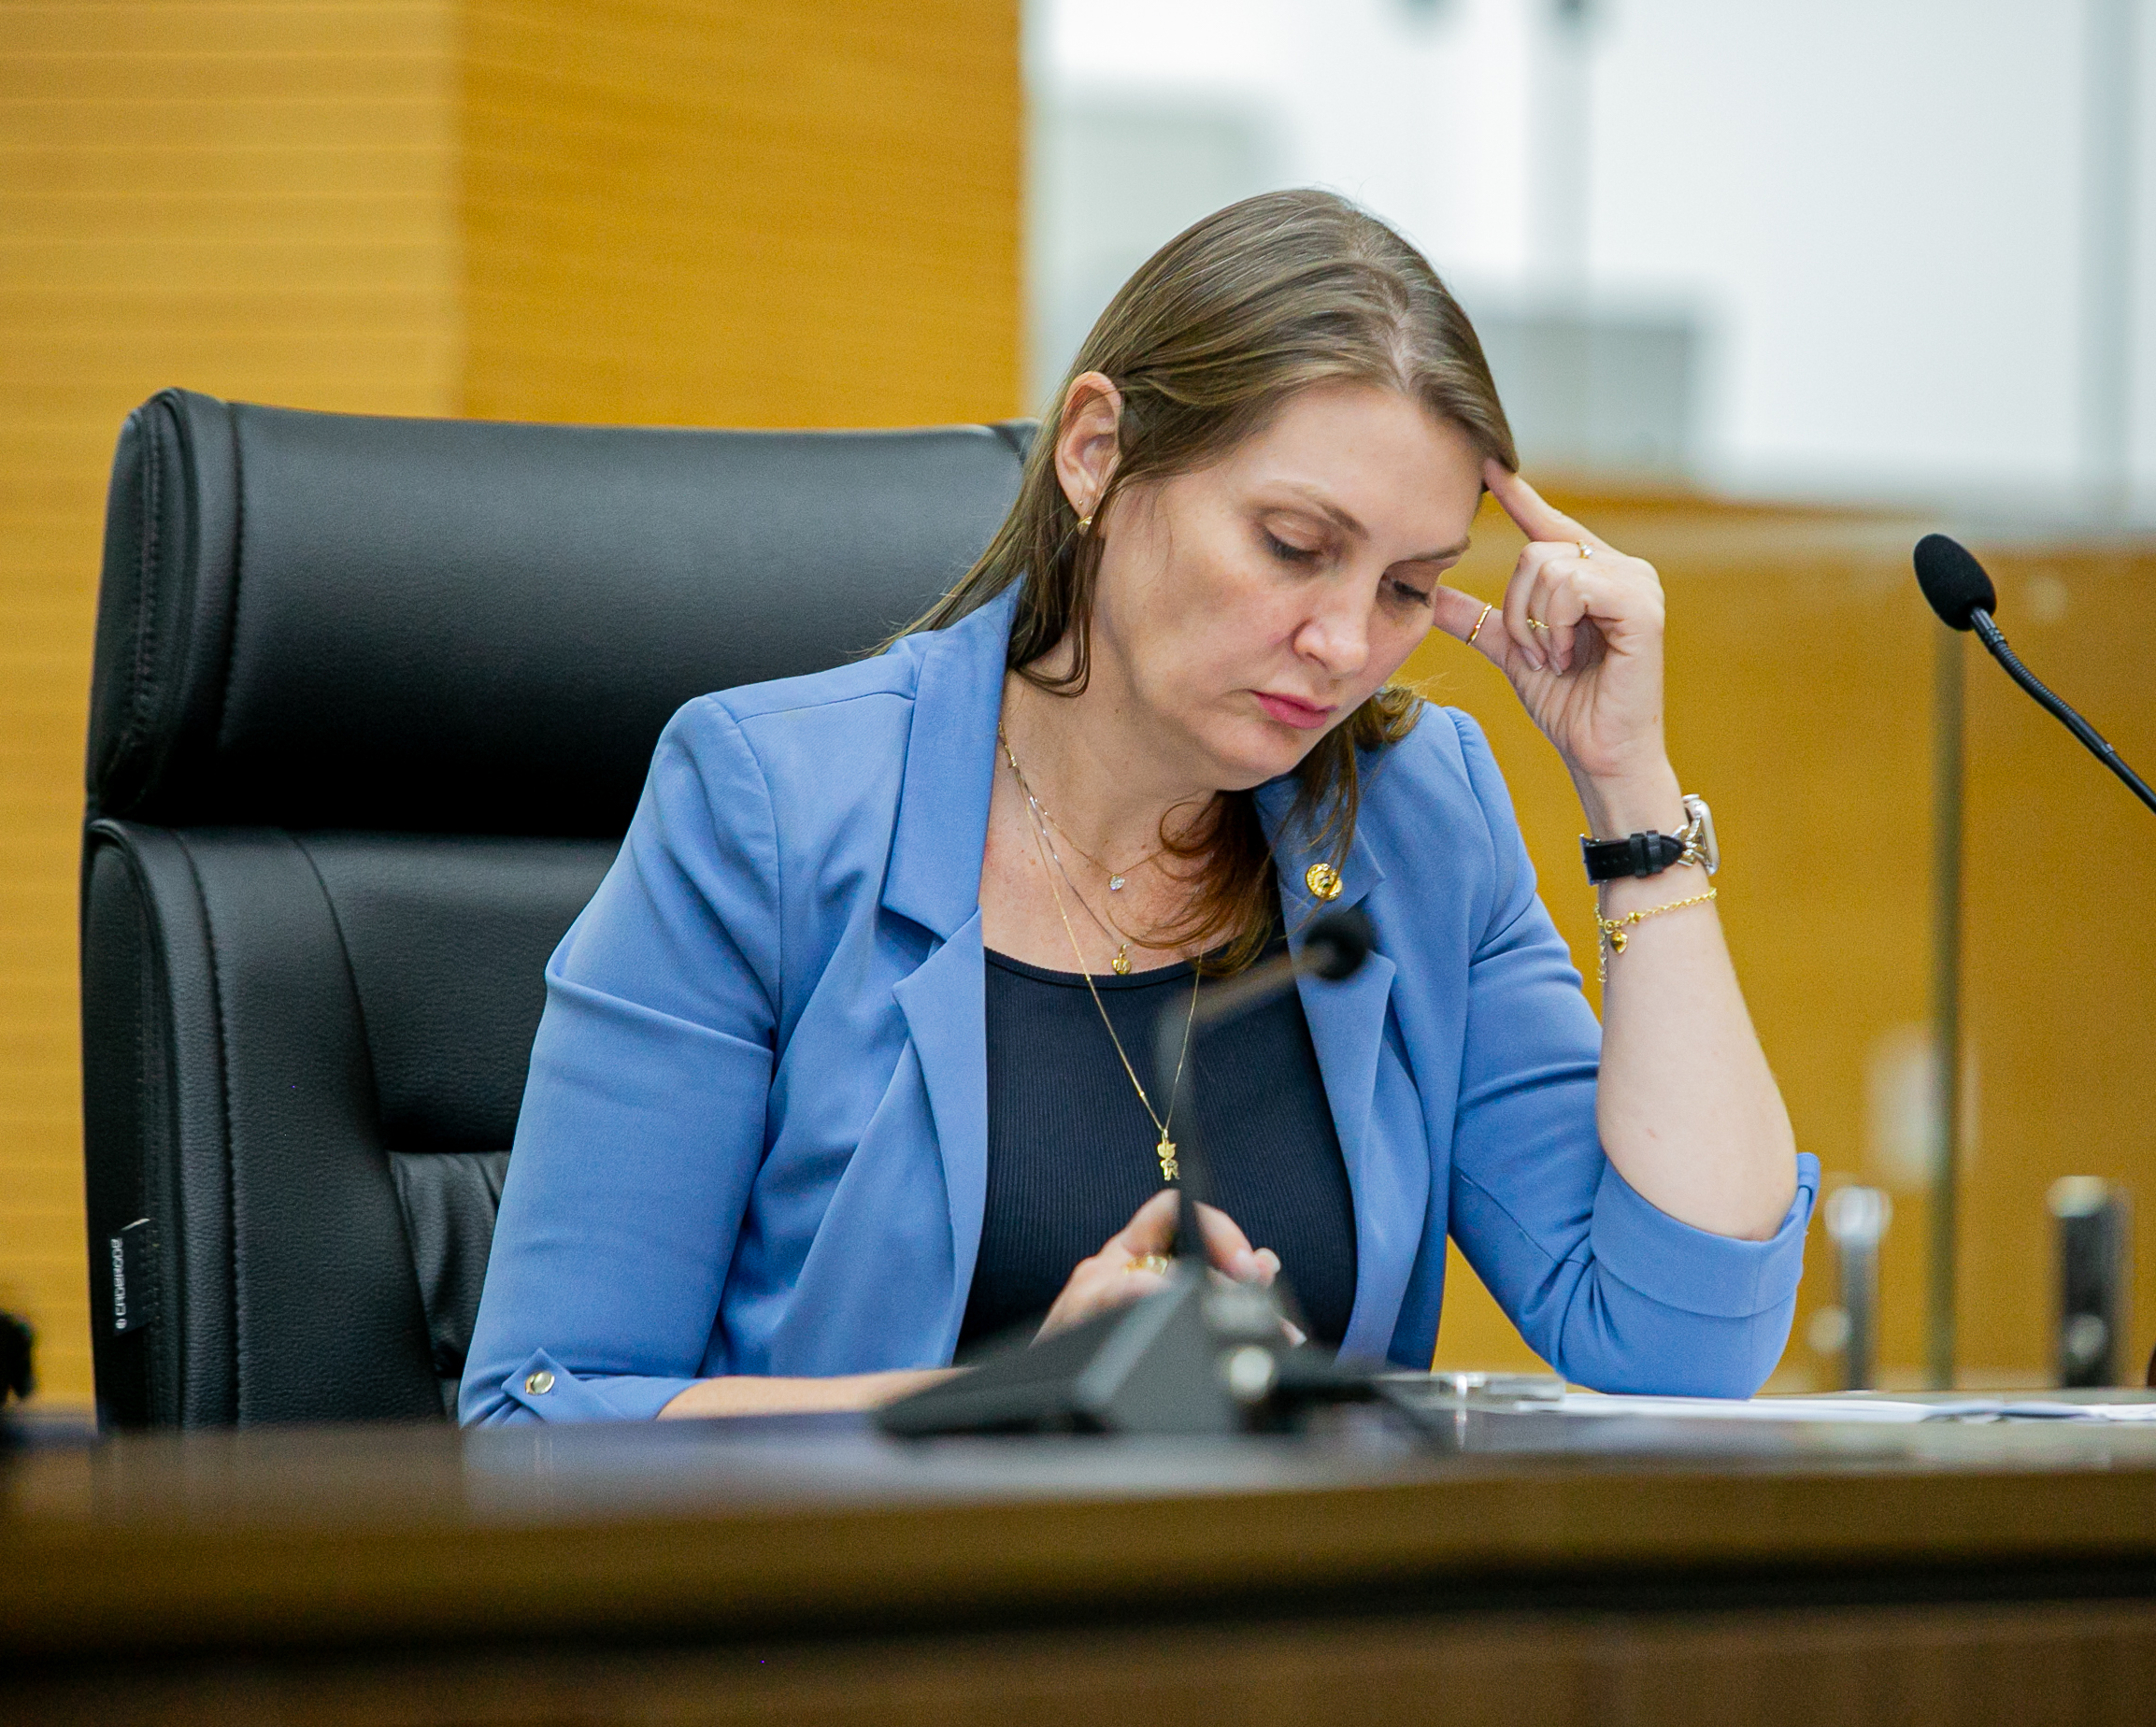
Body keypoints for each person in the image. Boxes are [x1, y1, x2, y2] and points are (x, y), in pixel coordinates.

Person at [460, 190, 1815, 1426]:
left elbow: (1683, 1342)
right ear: (1097, 453)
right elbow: (540, 1422)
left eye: (1408, 587)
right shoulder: (768, 803)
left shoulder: (1413, 818)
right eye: (1295, 547)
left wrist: (1629, 792)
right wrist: (1009, 1407)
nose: (1346, 643)